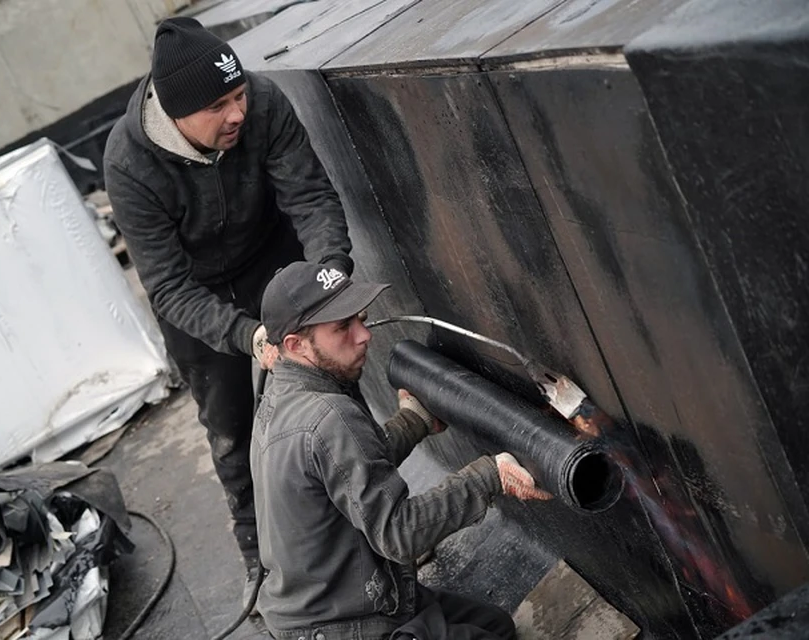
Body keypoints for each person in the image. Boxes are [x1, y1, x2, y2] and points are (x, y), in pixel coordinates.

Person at [103, 18, 353, 607]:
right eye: (218, 106)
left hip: (270, 255)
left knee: (331, 391)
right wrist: (248, 335)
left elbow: (311, 198)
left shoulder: (263, 102)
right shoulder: (128, 163)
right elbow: (166, 286)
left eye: (238, 94)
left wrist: (329, 277)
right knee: (234, 429)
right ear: (176, 114)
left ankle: (371, 521)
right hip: (196, 293)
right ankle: (262, 569)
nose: (237, 113)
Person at [251, 261, 553, 640]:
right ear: (296, 344)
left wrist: (415, 420)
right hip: (343, 626)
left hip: (327, 606)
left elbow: (347, 469)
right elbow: (400, 534)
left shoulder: (280, 394)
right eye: (342, 328)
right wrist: (490, 475)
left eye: (359, 319)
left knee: (495, 625)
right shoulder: (328, 415)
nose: (364, 336)